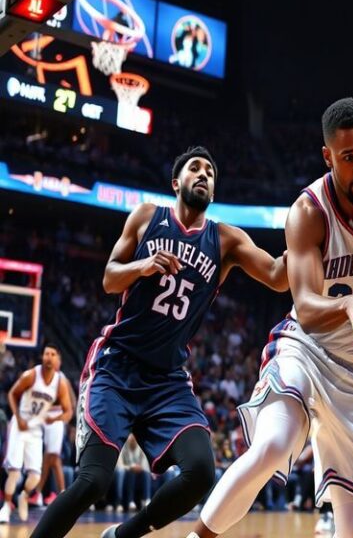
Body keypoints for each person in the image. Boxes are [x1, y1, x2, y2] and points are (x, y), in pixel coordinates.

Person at [189, 97, 353, 538]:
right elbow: (306, 305)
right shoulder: (308, 211)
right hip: (305, 349)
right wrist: (347, 305)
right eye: (348, 157)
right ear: (328, 157)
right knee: (273, 445)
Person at [31, 146, 290, 538]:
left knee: (202, 470)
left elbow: (276, 276)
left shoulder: (226, 240)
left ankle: (123, 535)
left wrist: (305, 244)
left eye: (210, 172)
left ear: (214, 191)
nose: (203, 175)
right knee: (93, 482)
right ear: (176, 182)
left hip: (166, 380)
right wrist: (143, 265)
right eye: (195, 169)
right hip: (116, 367)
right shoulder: (147, 217)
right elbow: (109, 278)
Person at [0, 344, 72, 524]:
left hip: (35, 429)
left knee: (35, 476)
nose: (49, 357)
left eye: (53, 354)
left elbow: (68, 411)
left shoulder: (60, 384)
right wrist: (18, 417)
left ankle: (23, 496)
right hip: (19, 425)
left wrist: (54, 420)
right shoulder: (31, 375)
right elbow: (12, 395)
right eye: (46, 354)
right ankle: (7, 507)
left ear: (57, 359)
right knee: (15, 472)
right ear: (42, 357)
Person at [33, 353, 76, 506]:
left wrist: (67, 422)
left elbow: (73, 403)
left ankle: (48, 493)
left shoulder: (62, 378)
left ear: (59, 361)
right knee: (50, 458)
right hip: (45, 422)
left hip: (56, 421)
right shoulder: (43, 376)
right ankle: (54, 494)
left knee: (53, 457)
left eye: (54, 357)